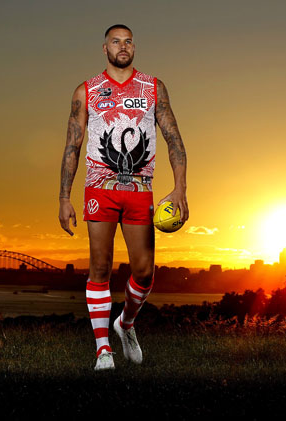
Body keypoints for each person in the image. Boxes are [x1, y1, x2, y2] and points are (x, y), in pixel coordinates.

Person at [58, 24, 188, 370]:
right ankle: (103, 350)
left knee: (145, 272)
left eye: (128, 41)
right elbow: (73, 145)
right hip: (99, 188)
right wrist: (64, 197)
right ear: (105, 49)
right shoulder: (86, 91)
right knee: (99, 266)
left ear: (134, 47)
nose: (123, 46)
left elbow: (174, 139)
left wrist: (180, 188)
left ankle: (125, 324)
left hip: (140, 189)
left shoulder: (153, 88)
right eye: (116, 41)